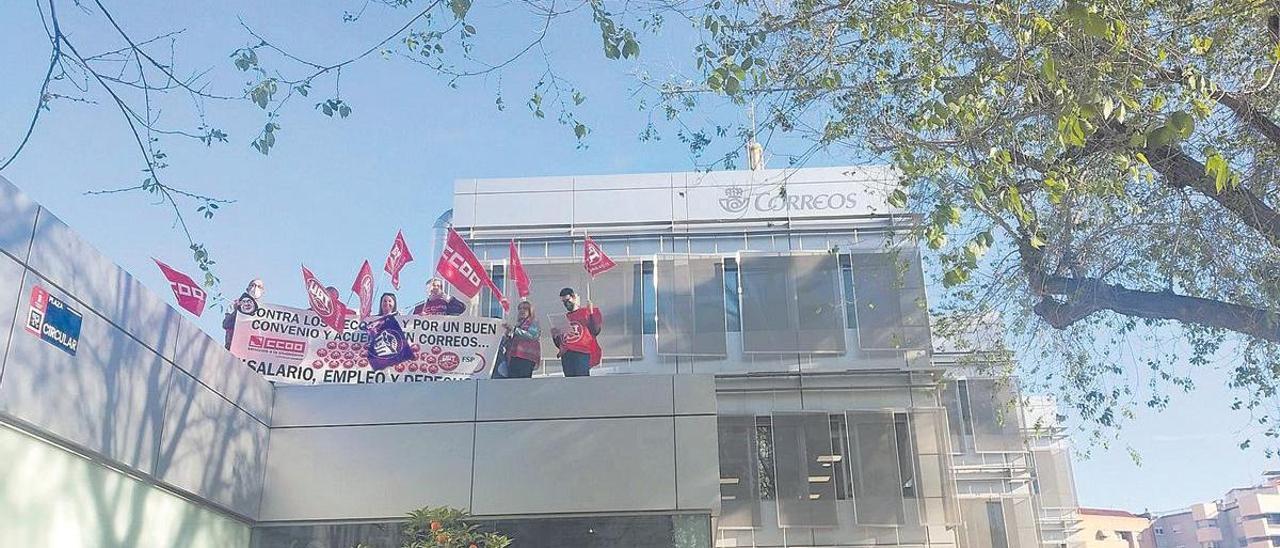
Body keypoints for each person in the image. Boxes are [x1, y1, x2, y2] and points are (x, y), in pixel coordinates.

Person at [551, 287, 602, 377]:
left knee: (581, 379)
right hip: (567, 353)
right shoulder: (564, 318)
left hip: (582, 351)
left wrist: (591, 313)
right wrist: (555, 336)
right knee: (570, 381)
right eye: (563, 302)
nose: (566, 304)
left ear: (574, 297)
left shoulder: (587, 312)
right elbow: (561, 342)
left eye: (567, 300)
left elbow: (595, 330)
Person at [501, 300, 541, 379]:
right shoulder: (518, 324)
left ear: (530, 311)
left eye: (525, 308)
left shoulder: (534, 322)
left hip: (526, 357)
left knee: (523, 382)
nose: (522, 310)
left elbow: (532, 335)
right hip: (514, 357)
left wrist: (514, 329)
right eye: (520, 308)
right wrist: (508, 334)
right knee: (512, 381)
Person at [223, 279, 264, 349]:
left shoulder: (264, 311)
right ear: (247, 289)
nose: (255, 288)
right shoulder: (235, 304)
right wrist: (236, 310)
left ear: (262, 292)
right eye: (253, 285)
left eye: (259, 286)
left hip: (252, 349)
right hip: (233, 345)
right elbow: (226, 324)